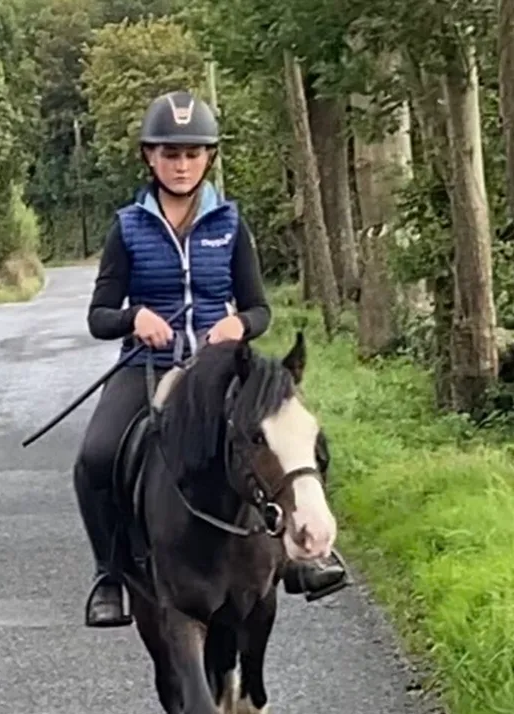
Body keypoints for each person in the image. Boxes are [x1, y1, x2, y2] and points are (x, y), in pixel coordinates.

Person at [74, 89, 346, 627]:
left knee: (292, 437)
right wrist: (135, 319)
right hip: (146, 366)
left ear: (209, 159)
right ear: (149, 157)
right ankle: (111, 575)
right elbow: (99, 315)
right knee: (96, 456)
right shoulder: (127, 227)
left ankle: (303, 555)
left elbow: (260, 308)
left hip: (223, 367)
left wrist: (240, 324)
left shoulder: (230, 224)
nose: (181, 165)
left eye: (193, 153)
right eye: (169, 154)